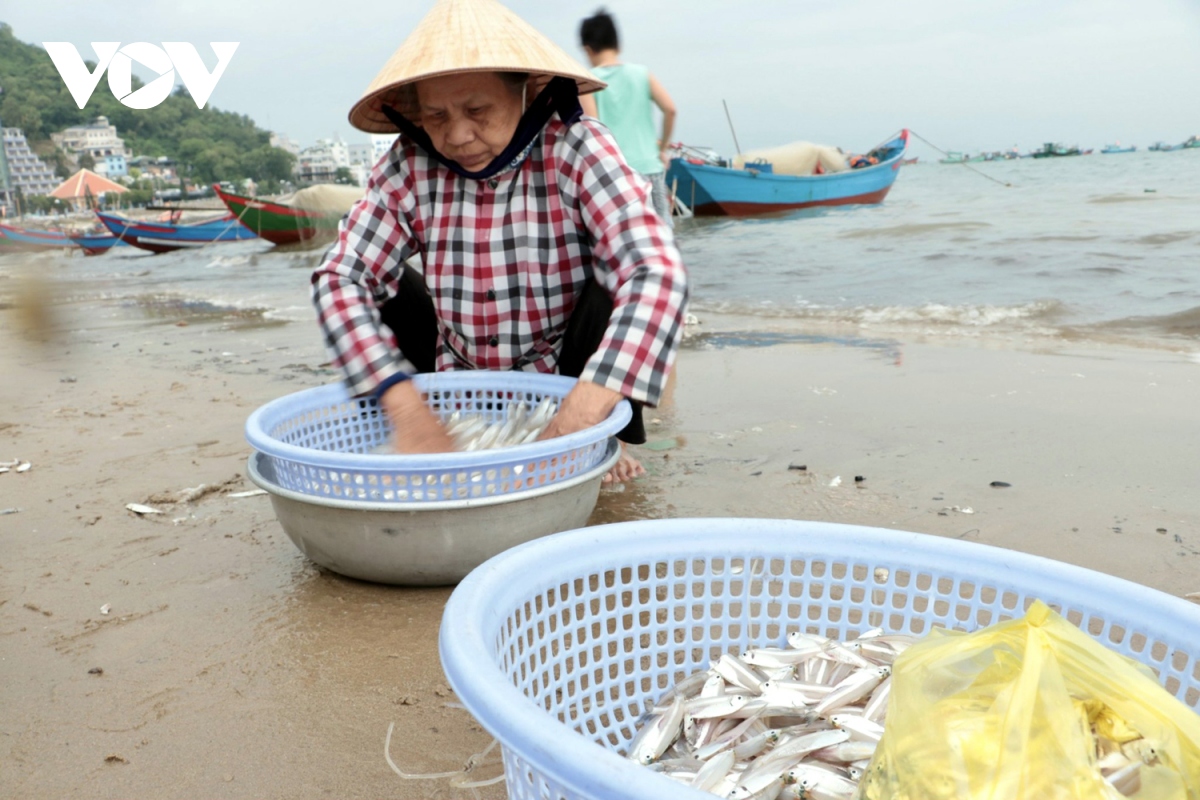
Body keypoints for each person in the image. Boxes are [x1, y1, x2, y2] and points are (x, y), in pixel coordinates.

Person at [312, 0, 688, 484]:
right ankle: (421, 422)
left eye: (477, 110)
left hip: (564, 365)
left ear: (525, 93)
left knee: (615, 282)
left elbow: (657, 272)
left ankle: (604, 435)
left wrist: (576, 417)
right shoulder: (408, 163)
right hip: (455, 370)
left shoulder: (575, 144)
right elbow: (339, 277)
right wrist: (408, 412)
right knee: (379, 284)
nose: (459, 134)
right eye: (436, 115)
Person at [578, 9, 677, 227]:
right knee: (663, 235)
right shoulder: (642, 73)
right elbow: (670, 109)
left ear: (587, 49)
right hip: (651, 167)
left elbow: (593, 129)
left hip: (617, 173)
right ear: (618, 44)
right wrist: (663, 150)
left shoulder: (589, 82)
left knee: (627, 239)